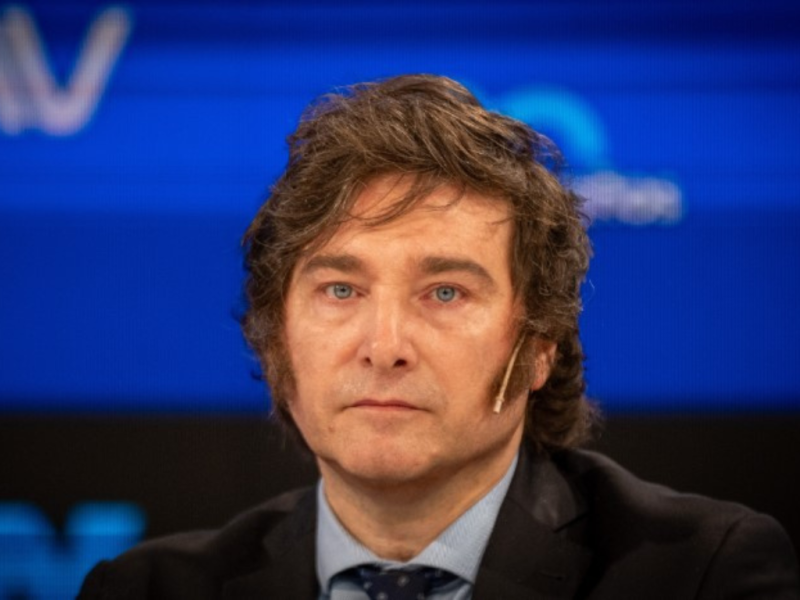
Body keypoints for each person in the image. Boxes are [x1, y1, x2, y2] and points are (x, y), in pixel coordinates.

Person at [79, 74, 799, 599]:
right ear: (275, 342)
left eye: (445, 292)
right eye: (341, 290)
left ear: (539, 346)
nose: (384, 345)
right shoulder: (146, 590)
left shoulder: (702, 575)